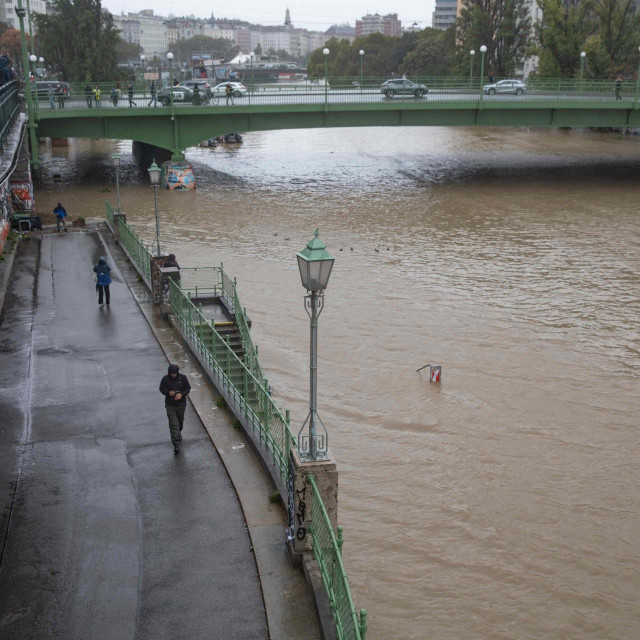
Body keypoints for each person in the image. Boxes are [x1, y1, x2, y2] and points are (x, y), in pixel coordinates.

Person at [159, 363, 191, 454]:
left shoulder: (183, 378)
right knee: (174, 424)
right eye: (171, 373)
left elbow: (188, 388)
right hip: (170, 405)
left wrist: (181, 394)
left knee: (180, 423)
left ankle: (178, 432)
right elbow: (161, 389)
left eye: (174, 373)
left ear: (177, 372)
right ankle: (176, 444)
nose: (173, 375)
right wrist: (168, 393)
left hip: (181, 404)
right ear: (169, 372)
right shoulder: (165, 379)